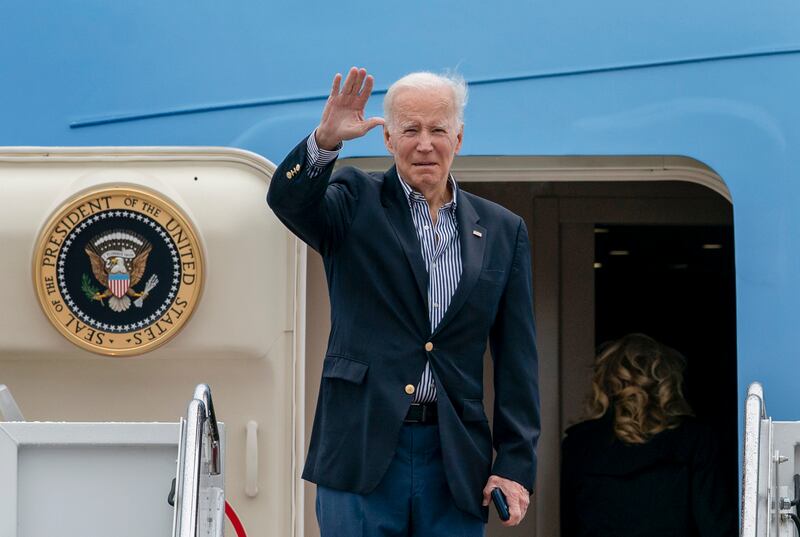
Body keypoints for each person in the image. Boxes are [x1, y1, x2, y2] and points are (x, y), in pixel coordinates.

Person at [267, 67, 540, 536]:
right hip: (362, 450)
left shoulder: (502, 229)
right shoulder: (354, 199)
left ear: (459, 136)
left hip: (454, 459)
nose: (425, 143)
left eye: (437, 129)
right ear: (389, 138)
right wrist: (325, 142)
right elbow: (289, 202)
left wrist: (515, 464)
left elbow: (518, 358)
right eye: (411, 130)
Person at [560, 333, 737, 537]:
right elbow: (715, 528)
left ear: (605, 382)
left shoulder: (579, 443)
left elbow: (570, 527)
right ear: (666, 381)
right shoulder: (695, 440)